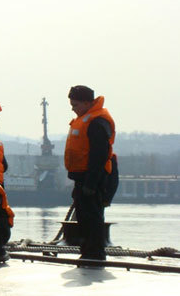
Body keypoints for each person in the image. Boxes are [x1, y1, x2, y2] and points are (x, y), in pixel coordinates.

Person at [64, 85, 116, 261]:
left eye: (75, 104)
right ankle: (88, 251)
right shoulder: (86, 119)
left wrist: (91, 184)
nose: (73, 108)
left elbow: (99, 155)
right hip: (82, 177)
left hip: (93, 177)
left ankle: (94, 253)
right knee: (84, 216)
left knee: (92, 216)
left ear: (87, 103)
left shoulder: (96, 122)